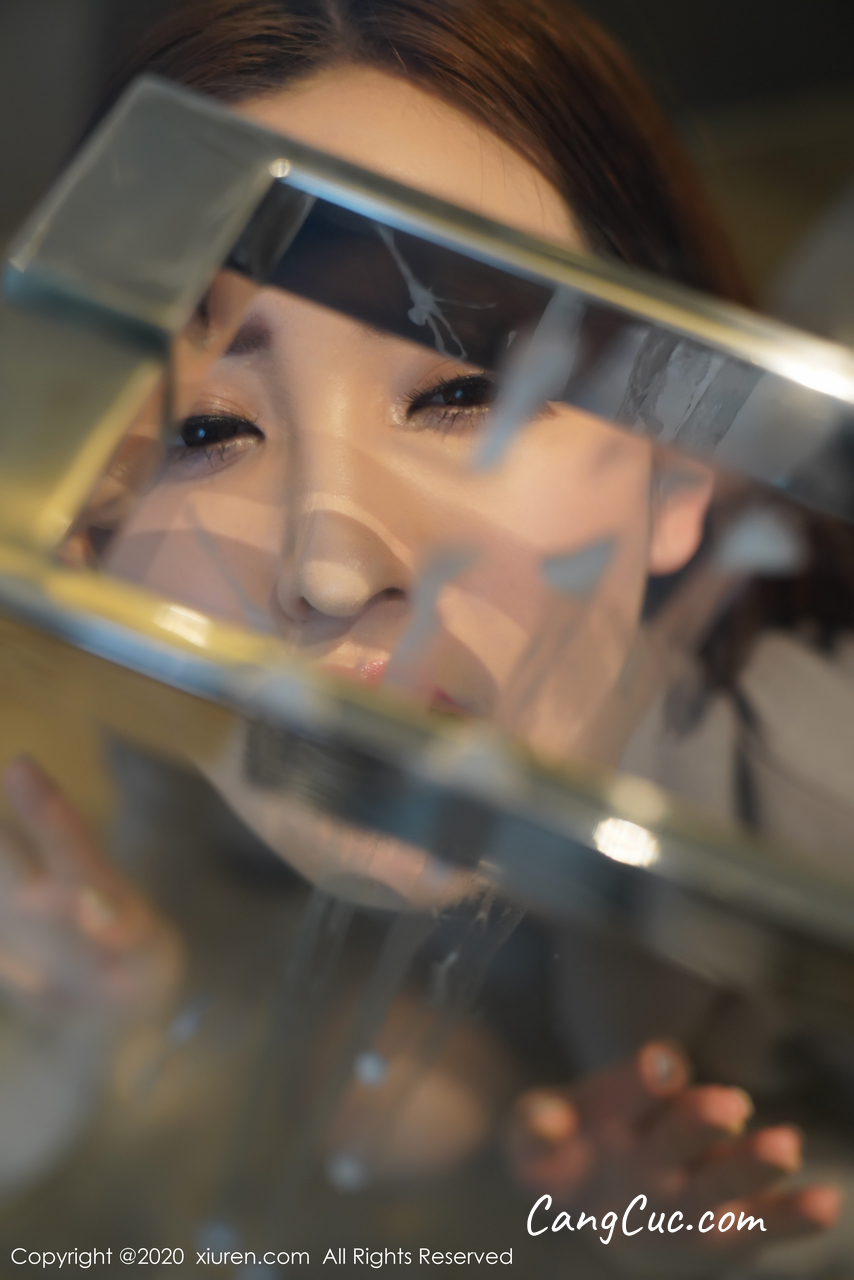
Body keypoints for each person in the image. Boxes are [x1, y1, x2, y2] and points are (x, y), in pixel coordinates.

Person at [0, 0, 846, 1270]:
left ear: (681, 466)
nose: (328, 570)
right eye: (205, 428)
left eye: (463, 390)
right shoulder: (172, 656)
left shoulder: (813, 818)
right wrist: (120, 1004)